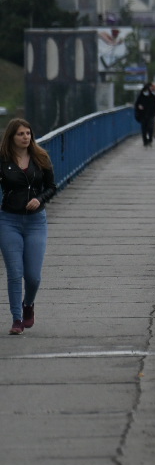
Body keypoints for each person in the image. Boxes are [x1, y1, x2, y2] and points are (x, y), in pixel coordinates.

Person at [1, 119, 56, 335]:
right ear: (12, 137)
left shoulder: (40, 157)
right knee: (15, 273)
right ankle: (16, 319)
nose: (26, 137)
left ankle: (28, 305)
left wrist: (40, 199)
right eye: (21, 134)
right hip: (8, 221)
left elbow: (52, 187)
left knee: (33, 276)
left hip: (35, 222)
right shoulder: (3, 160)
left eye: (28, 133)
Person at [135, 83, 155, 148]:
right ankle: (145, 141)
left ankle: (150, 140)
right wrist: (139, 107)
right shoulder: (140, 97)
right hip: (143, 115)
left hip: (151, 115)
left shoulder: (153, 97)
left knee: (150, 128)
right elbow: (136, 105)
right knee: (144, 129)